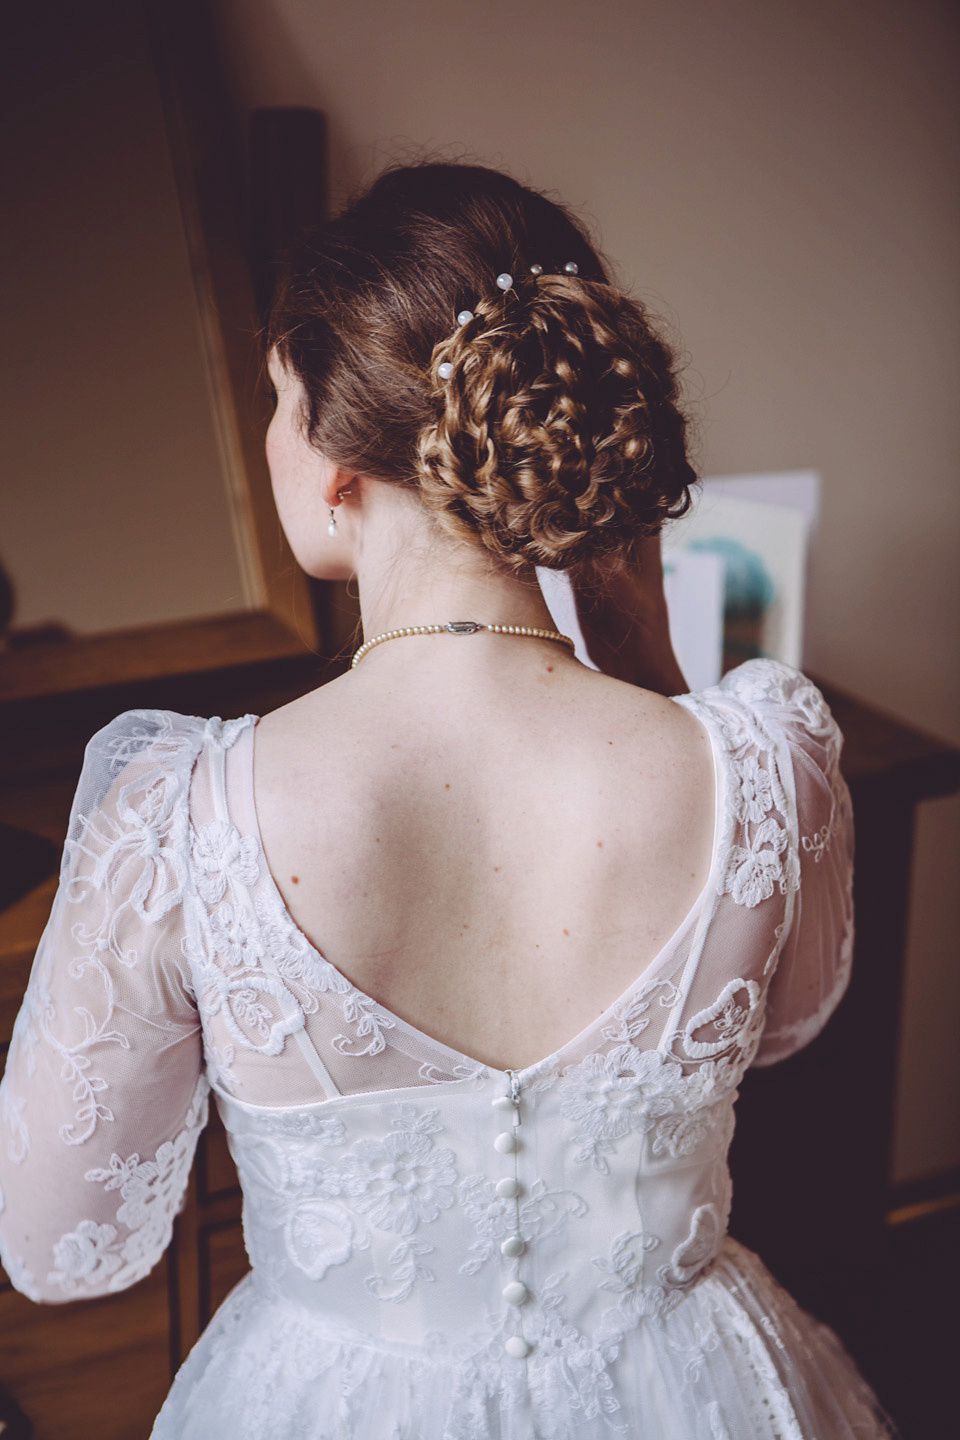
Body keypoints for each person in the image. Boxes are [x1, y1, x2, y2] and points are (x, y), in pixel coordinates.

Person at [0, 162, 896, 1438]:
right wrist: (642, 645)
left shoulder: (179, 814)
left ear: (332, 459)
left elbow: (60, 1243)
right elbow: (786, 1019)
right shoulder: (758, 758)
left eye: (274, 399)